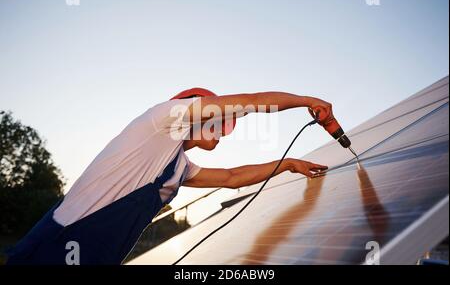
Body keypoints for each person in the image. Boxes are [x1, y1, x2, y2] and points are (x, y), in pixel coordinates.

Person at [6, 88, 330, 265]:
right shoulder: (161, 120)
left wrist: (287, 164)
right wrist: (305, 101)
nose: (222, 124)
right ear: (195, 109)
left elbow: (232, 177)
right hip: (55, 249)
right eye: (216, 114)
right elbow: (251, 102)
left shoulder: (180, 166)